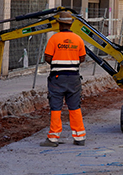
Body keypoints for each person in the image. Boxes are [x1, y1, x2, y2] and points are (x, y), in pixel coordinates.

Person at [41, 10, 87, 147]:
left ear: (59, 24)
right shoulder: (78, 39)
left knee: (56, 107)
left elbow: (47, 57)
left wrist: (58, 61)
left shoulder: (54, 39)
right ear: (71, 24)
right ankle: (79, 138)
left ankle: (53, 138)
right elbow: (82, 58)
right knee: (74, 107)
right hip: (74, 78)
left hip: (57, 78)